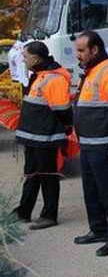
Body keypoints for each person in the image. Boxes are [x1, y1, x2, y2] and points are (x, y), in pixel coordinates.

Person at [72, 30, 108, 256]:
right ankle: (98, 229)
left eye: (81, 50)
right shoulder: (91, 71)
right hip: (88, 144)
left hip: (102, 145)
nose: (78, 55)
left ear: (95, 50)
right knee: (91, 190)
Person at [13, 41, 72, 230]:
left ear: (36, 58)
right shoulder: (40, 75)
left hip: (45, 137)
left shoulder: (54, 78)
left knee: (48, 175)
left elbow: (62, 111)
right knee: (31, 173)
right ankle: (23, 211)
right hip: (34, 135)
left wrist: (61, 128)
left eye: (26, 56)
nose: (23, 59)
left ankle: (49, 215)